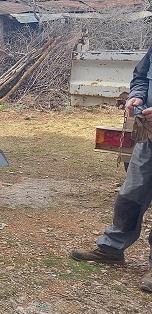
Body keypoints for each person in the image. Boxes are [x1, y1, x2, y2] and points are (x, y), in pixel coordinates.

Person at [71, 46, 152, 293]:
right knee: (130, 194)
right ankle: (112, 248)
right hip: (148, 137)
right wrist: (136, 97)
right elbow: (140, 78)